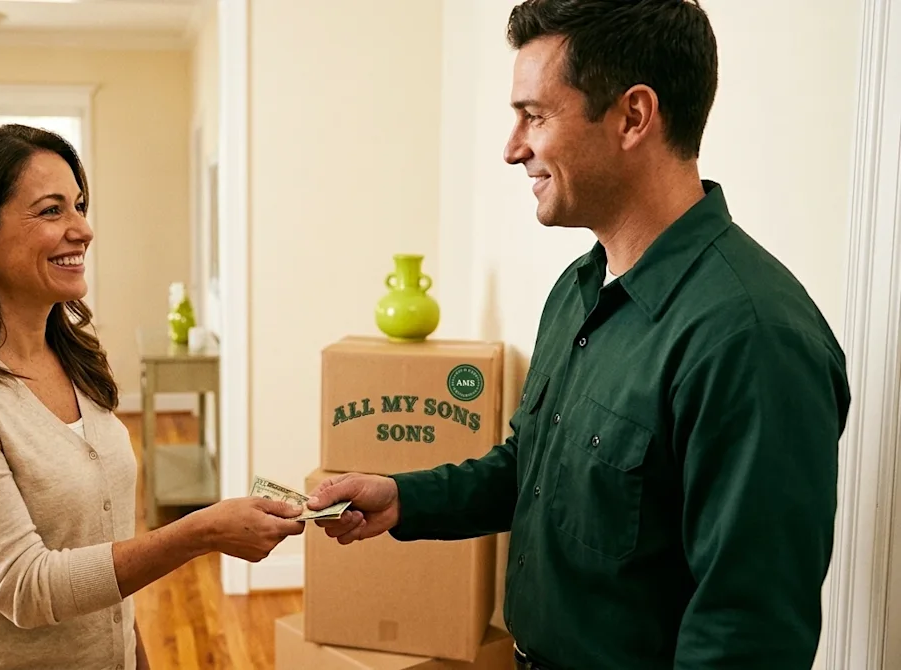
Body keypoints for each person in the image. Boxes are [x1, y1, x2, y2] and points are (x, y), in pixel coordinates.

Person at [305, 1, 851, 668]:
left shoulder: (752, 339)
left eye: (534, 115)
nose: (513, 148)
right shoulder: (578, 290)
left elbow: (746, 633)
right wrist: (404, 500)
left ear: (632, 117)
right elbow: (532, 469)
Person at [0, 123, 304, 670]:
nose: (84, 230)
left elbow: (104, 562)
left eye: (78, 205)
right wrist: (202, 530)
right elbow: (27, 587)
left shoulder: (73, 356)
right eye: (52, 211)